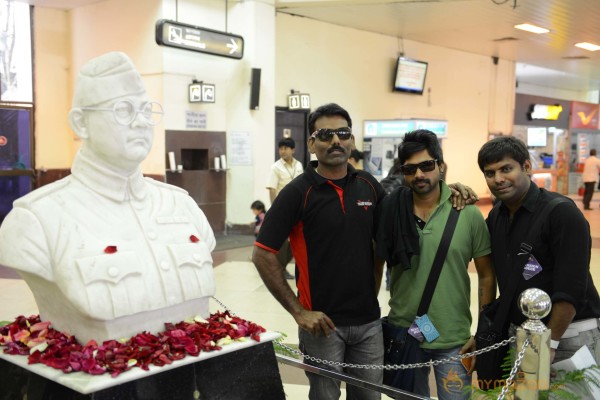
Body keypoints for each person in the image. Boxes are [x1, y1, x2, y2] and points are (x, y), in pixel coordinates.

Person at [0, 52, 216, 344]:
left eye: (146, 110)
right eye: (124, 110)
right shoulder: (36, 221)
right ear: (81, 123)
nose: (141, 122)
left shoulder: (183, 206)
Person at [253, 103, 386, 400]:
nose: (336, 141)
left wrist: (448, 189)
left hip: (368, 323)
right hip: (322, 327)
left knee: (369, 397)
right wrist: (298, 311)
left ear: (351, 140)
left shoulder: (369, 186)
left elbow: (399, 223)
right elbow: (262, 253)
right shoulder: (298, 192)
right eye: (326, 134)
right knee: (325, 396)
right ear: (312, 144)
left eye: (343, 133)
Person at [376, 130, 495, 400]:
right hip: (403, 332)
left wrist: (483, 331)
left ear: (441, 166)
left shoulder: (468, 214)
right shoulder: (391, 211)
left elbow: (487, 276)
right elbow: (375, 264)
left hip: (454, 339)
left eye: (427, 165)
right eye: (410, 169)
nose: (419, 174)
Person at [477, 136, 600, 366]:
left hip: (568, 339)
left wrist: (550, 343)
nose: (498, 179)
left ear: (526, 166)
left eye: (506, 169)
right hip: (522, 337)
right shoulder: (497, 216)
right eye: (490, 173)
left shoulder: (561, 213)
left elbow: (571, 290)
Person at [266, 137, 303, 280]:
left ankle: (281, 266)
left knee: (296, 240)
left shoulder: (299, 165)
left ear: (293, 150)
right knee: (282, 241)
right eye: (280, 148)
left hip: (298, 208)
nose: (282, 151)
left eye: (285, 148)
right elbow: (272, 188)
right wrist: (275, 209)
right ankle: (279, 268)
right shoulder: (276, 167)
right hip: (282, 208)